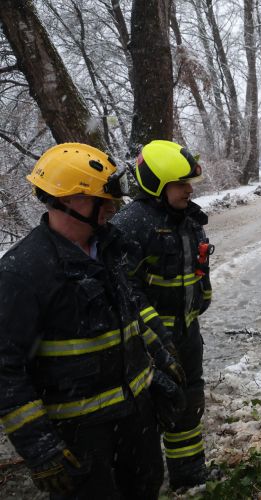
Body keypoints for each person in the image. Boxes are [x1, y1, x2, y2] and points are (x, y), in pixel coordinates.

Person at [0, 143, 182, 498]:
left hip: (136, 425)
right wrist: (40, 447)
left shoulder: (108, 249)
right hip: (81, 439)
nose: (112, 207)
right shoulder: (23, 272)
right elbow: (5, 368)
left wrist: (160, 360)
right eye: (104, 199)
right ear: (71, 200)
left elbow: (130, 318)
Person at [112, 139, 212, 490]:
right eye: (181, 184)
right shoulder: (131, 225)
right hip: (147, 344)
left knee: (189, 401)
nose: (189, 190)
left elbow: (197, 268)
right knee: (150, 411)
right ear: (156, 185)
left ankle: (189, 474)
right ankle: (144, 486)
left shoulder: (188, 219)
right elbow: (125, 290)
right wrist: (156, 336)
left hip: (186, 332)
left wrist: (202, 297)